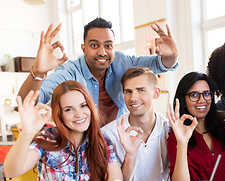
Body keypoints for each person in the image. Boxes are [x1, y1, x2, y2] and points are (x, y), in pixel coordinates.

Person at [18, 17, 178, 126]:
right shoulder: (70, 71)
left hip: (117, 141)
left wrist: (172, 55)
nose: (102, 52)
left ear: (114, 47)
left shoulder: (122, 62)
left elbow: (161, 64)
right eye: (94, 45)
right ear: (84, 48)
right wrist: (37, 73)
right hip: (82, 144)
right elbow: (28, 102)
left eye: (108, 45)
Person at [4, 81, 122, 181]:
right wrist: (27, 133)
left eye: (83, 105)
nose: (79, 114)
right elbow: (11, 171)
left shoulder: (102, 141)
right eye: (68, 109)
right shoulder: (48, 138)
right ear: (59, 114)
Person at [167, 72, 225, 181]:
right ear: (183, 100)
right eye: (194, 95)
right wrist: (182, 143)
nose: (202, 100)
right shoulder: (176, 137)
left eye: (206, 94)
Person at [101, 66, 169, 181]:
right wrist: (130, 155)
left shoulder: (169, 129)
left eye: (141, 90)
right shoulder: (108, 134)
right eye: (128, 91)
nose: (133, 98)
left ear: (156, 93)